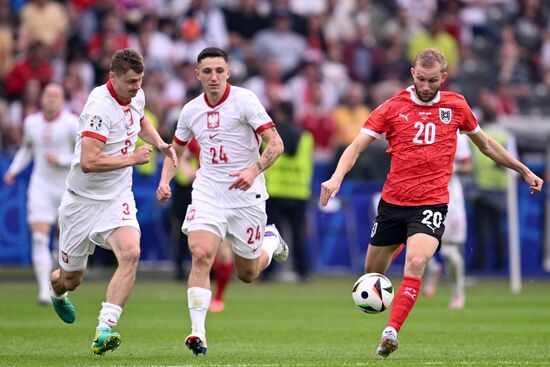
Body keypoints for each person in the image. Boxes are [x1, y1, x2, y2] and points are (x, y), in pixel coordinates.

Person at [319, 48, 543, 359]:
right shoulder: (392, 107)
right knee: (371, 276)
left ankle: (391, 332)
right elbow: (356, 145)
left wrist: (523, 170)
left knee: (416, 263)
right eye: (421, 79)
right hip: (393, 203)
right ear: (413, 73)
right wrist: (336, 178)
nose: (426, 86)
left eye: (433, 81)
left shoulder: (457, 106)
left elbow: (487, 145)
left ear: (444, 78)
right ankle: (399, 244)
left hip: (432, 203)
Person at [156, 47, 289, 356]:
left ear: (228, 72)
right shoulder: (190, 110)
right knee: (201, 254)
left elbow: (276, 143)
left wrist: (253, 169)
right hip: (208, 193)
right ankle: (197, 332)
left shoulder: (245, 101)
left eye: (219, 70)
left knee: (248, 273)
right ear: (197, 75)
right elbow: (176, 151)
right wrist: (164, 181)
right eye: (207, 71)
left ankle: (271, 240)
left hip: (247, 196)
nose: (214, 77)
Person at [48, 49, 177, 356]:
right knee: (70, 280)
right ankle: (56, 293)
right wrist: (132, 157)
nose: (136, 87)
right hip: (81, 202)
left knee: (131, 252)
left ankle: (104, 329)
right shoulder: (98, 107)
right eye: (131, 81)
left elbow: (140, 119)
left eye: (140, 80)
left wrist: (158, 143)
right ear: (112, 77)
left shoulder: (136, 95)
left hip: (117, 197)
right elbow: (89, 161)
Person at [3, 83, 78, 305]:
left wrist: (62, 160)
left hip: (67, 187)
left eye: (56, 95)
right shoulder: (31, 123)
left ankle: (58, 282)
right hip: (41, 187)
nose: (51, 98)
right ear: (41, 98)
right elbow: (27, 149)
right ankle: (43, 291)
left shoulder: (72, 124)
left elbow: (83, 153)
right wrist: (13, 170)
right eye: (47, 94)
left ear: (63, 100)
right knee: (38, 237)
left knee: (64, 241)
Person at [423, 133, 472, 310]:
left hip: (450, 197)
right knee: (414, 237)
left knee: (449, 252)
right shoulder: (424, 128)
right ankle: (433, 269)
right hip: (425, 193)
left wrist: (451, 168)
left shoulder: (459, 136)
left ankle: (458, 291)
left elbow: (468, 166)